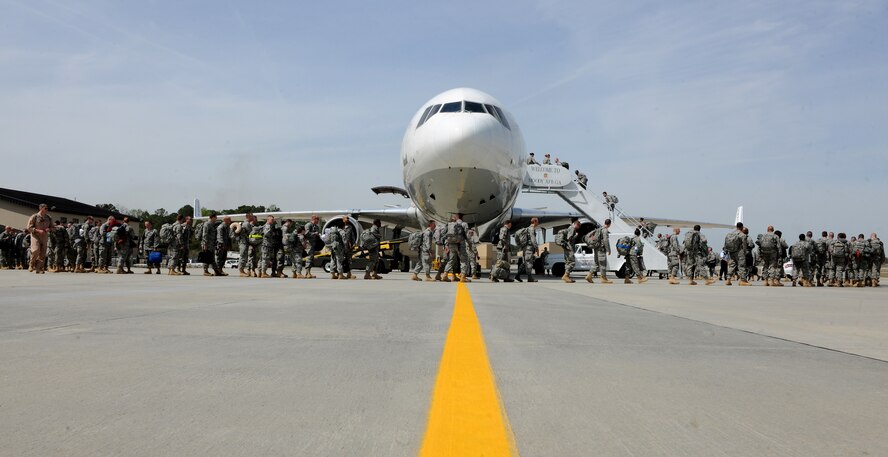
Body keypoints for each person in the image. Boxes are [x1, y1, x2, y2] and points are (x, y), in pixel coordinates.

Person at [444, 213, 471, 283]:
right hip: (460, 245)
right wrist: (470, 245)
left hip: (451, 244)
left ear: (456, 217)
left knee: (451, 260)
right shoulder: (464, 224)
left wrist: (446, 245)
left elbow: (446, 235)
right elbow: (468, 236)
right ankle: (463, 277)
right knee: (464, 260)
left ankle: (445, 275)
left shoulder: (451, 224)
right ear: (462, 218)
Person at [584, 218, 613, 284]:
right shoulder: (605, 230)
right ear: (609, 224)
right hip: (601, 250)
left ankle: (589, 276)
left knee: (596, 263)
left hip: (596, 249)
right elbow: (605, 240)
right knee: (603, 264)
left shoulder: (599, 229)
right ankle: (603, 278)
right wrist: (608, 250)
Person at [26, 204, 53, 274]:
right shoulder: (34, 216)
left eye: (47, 208)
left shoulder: (48, 217)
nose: (47, 209)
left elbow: (52, 227)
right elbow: (29, 227)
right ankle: (31, 264)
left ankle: (40, 268)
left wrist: (49, 229)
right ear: (40, 208)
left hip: (44, 236)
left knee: (43, 252)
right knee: (36, 250)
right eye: (45, 208)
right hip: (35, 235)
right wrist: (37, 230)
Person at [514, 217, 540, 283]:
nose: (538, 223)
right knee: (529, 262)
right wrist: (536, 248)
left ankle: (517, 276)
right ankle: (530, 278)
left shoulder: (528, 229)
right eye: (537, 221)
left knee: (524, 262)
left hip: (525, 248)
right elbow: (533, 239)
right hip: (529, 248)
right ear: (534, 221)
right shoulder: (531, 229)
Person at [559, 219, 581, 283]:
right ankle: (566, 275)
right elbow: (569, 238)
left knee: (567, 262)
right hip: (569, 247)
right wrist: (576, 235)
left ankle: (567, 277)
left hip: (566, 247)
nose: (578, 228)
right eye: (578, 226)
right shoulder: (572, 229)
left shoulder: (569, 228)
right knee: (572, 262)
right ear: (576, 224)